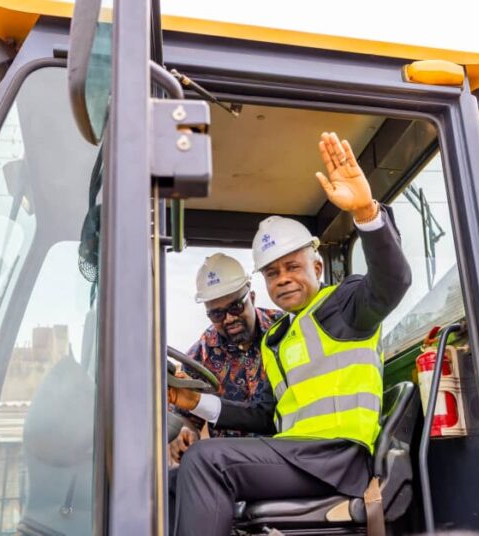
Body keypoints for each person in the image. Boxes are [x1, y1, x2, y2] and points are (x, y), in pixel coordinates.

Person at [168, 131, 412, 536]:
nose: (282, 279)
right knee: (172, 481)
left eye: (293, 267)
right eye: (272, 273)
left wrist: (367, 212)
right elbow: (265, 414)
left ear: (317, 268)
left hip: (336, 458)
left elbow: (392, 282)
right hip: (297, 454)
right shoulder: (278, 337)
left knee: (207, 461)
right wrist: (199, 404)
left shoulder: (343, 305)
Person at [167, 253, 282, 533]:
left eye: (235, 306)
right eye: (217, 313)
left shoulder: (283, 334)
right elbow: (184, 417)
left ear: (252, 296)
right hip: (228, 468)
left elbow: (270, 412)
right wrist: (184, 435)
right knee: (171, 484)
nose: (229, 318)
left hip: (280, 456)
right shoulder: (200, 354)